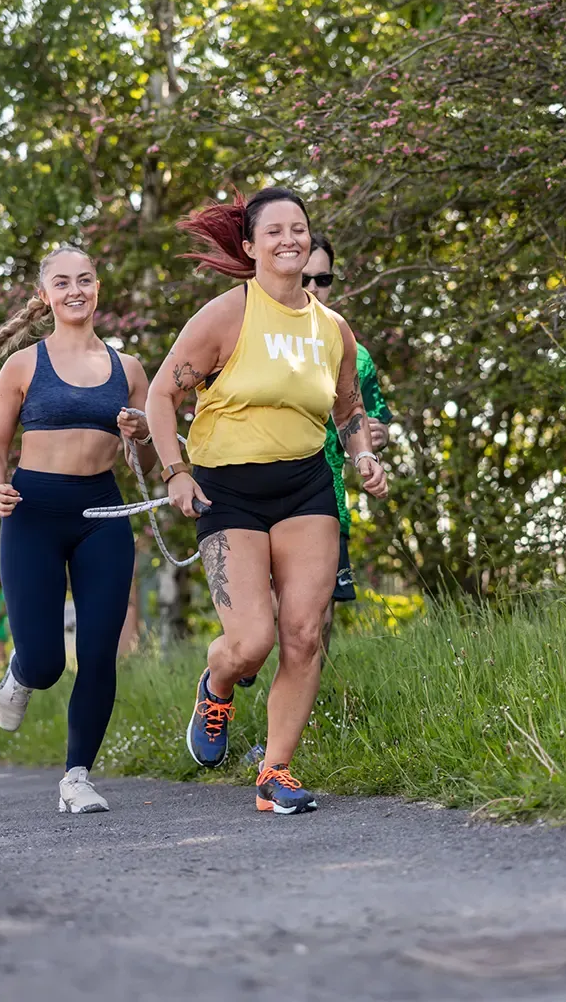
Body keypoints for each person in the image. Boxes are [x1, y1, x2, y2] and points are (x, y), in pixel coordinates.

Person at [145, 188, 388, 815]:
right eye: (275, 231)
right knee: (251, 642)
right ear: (250, 247)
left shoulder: (332, 329)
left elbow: (349, 410)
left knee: (303, 635)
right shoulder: (227, 316)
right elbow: (160, 398)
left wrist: (362, 455)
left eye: (300, 229)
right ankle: (217, 683)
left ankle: (275, 772)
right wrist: (175, 472)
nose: (291, 240)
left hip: (305, 486)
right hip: (228, 492)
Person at [0, 245, 156, 814]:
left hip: (102, 513)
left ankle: (76, 777)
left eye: (85, 279)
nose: (75, 289)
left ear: (98, 288)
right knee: (48, 662)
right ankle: (21, 673)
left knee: (99, 652)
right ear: (45, 295)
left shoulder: (128, 370)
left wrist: (142, 433)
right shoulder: (24, 364)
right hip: (33, 513)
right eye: (62, 281)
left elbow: (147, 466)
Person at [303, 233, 393, 652]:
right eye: (304, 278)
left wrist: (379, 436)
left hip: (328, 501)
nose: (312, 288)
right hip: (260, 499)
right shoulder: (249, 338)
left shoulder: (355, 354)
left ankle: (309, 716)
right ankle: (232, 667)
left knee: (318, 622)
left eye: (322, 279)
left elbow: (376, 419)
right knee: (263, 624)